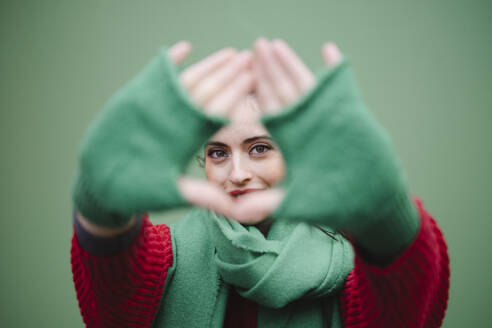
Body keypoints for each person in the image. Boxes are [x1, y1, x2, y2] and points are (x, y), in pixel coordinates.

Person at [70, 38, 449, 327]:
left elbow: (405, 309)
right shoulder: (163, 260)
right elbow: (113, 291)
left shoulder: (354, 270)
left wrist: (385, 215)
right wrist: (99, 205)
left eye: (260, 148)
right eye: (218, 153)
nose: (236, 174)